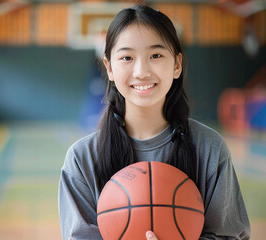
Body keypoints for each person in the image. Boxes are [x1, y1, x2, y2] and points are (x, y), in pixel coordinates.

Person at [58, 4, 250, 240]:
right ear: (108, 67)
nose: (141, 71)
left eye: (156, 55)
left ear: (177, 64)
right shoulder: (82, 158)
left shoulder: (209, 148)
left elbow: (229, 235)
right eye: (127, 57)